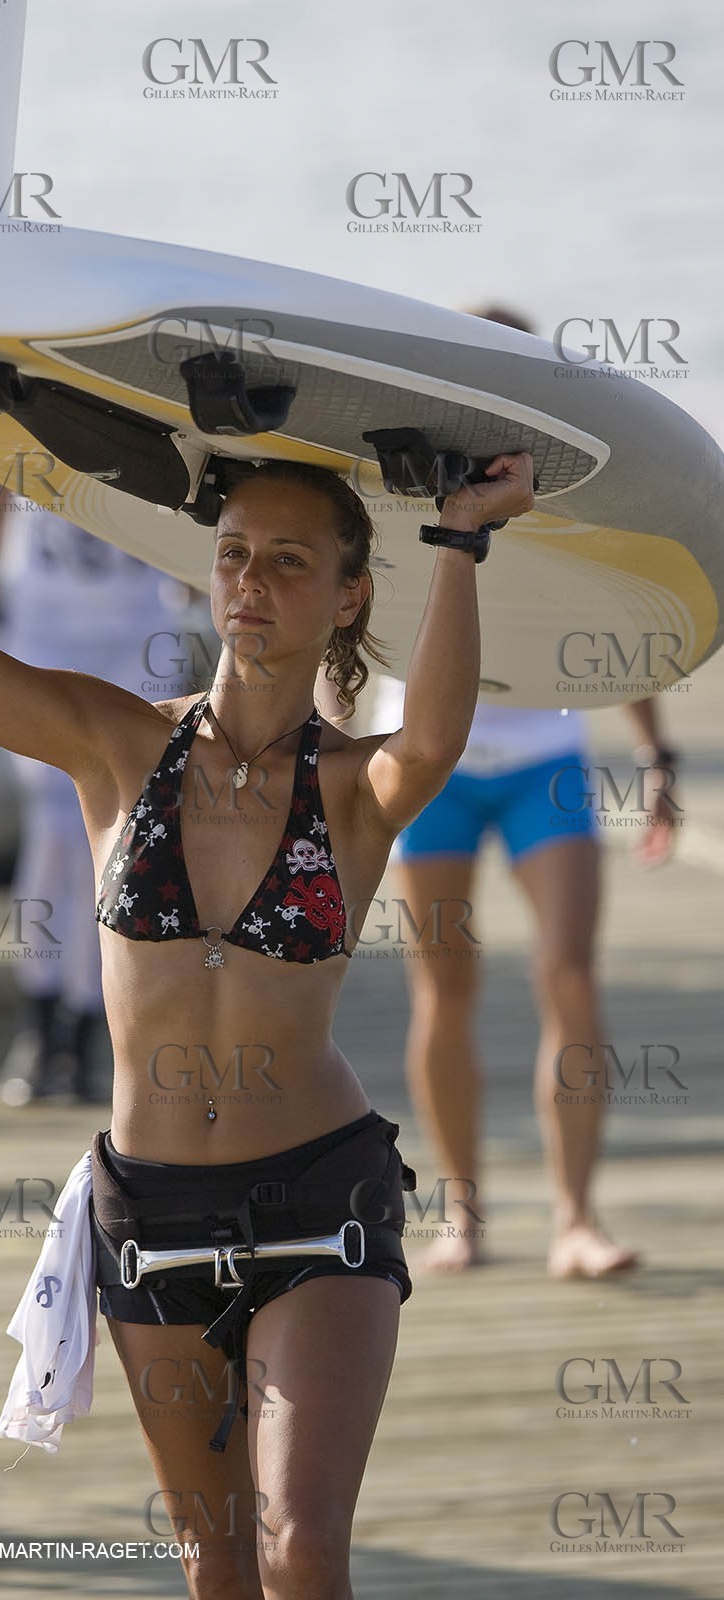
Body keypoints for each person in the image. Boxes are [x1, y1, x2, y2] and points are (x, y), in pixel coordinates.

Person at [0, 389, 533, 1598]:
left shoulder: (357, 786)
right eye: (230, 555)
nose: (249, 581)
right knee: (211, 1559)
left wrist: (460, 539)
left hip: (318, 1196)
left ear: (346, 595)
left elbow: (433, 740)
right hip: (150, 1213)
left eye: (286, 561)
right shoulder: (116, 745)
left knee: (297, 1546)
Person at [366, 305, 679, 1279]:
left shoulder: (560, 497)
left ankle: (573, 1220)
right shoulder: (400, 481)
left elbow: (611, 632)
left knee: (568, 975)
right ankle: (463, 1215)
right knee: (443, 991)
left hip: (544, 758)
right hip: (431, 766)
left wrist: (655, 759)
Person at [0, 486, 188, 1104]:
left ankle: (82, 1030)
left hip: (135, 655)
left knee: (117, 855)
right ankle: (39, 1024)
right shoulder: (27, 424)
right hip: (47, 651)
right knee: (52, 849)